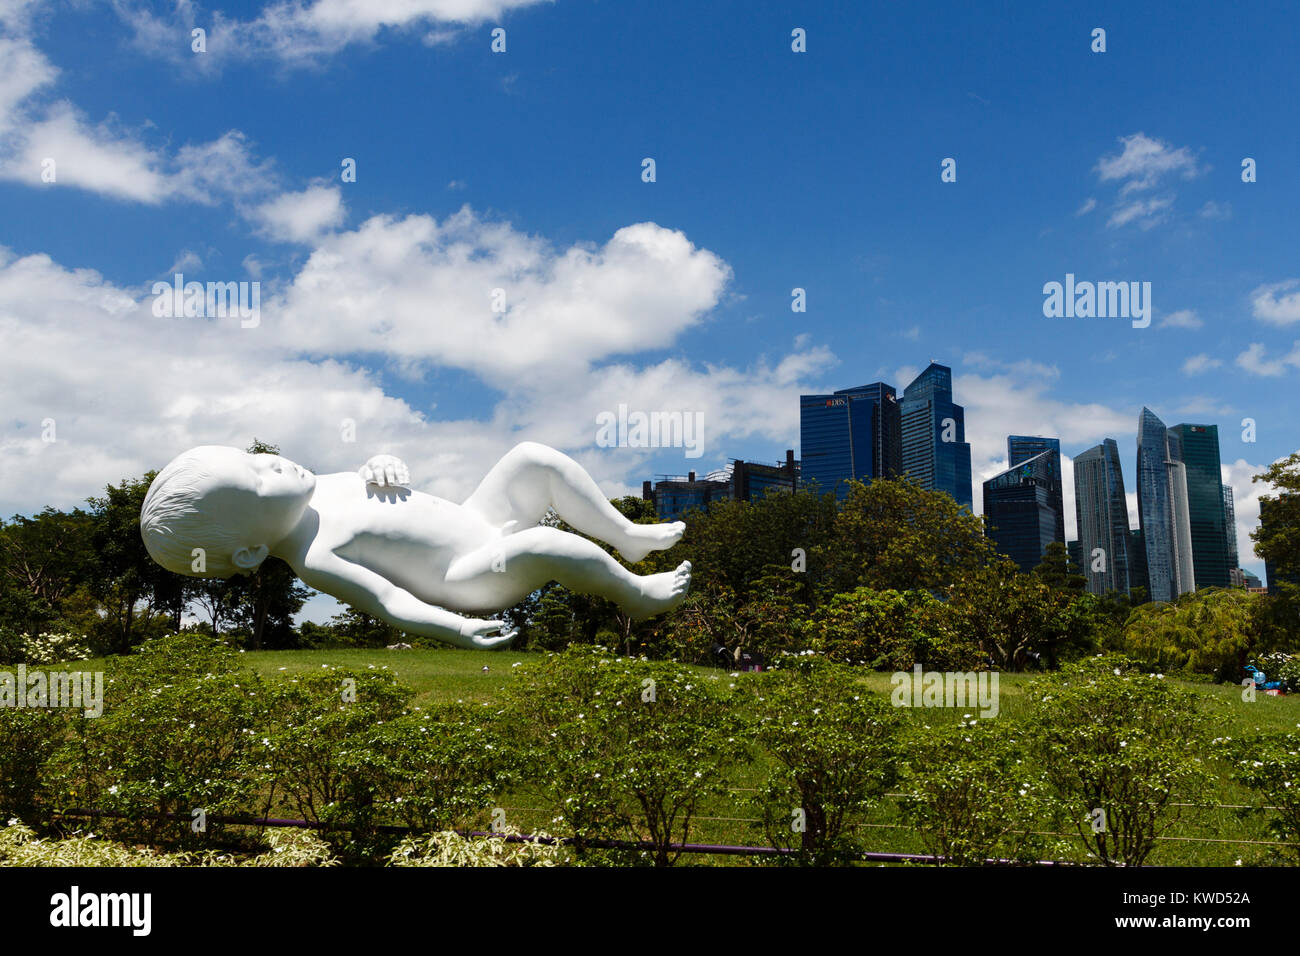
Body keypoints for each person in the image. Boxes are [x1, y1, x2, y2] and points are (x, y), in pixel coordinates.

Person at [140, 442, 690, 649]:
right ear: (250, 552)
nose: (273, 463)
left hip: (476, 520)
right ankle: (636, 592)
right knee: (548, 542)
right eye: (259, 482)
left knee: (532, 458)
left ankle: (627, 537)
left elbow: (378, 483)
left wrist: (380, 461)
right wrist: (456, 628)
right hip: (469, 574)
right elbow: (390, 602)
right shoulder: (316, 557)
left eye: (255, 458)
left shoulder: (321, 483)